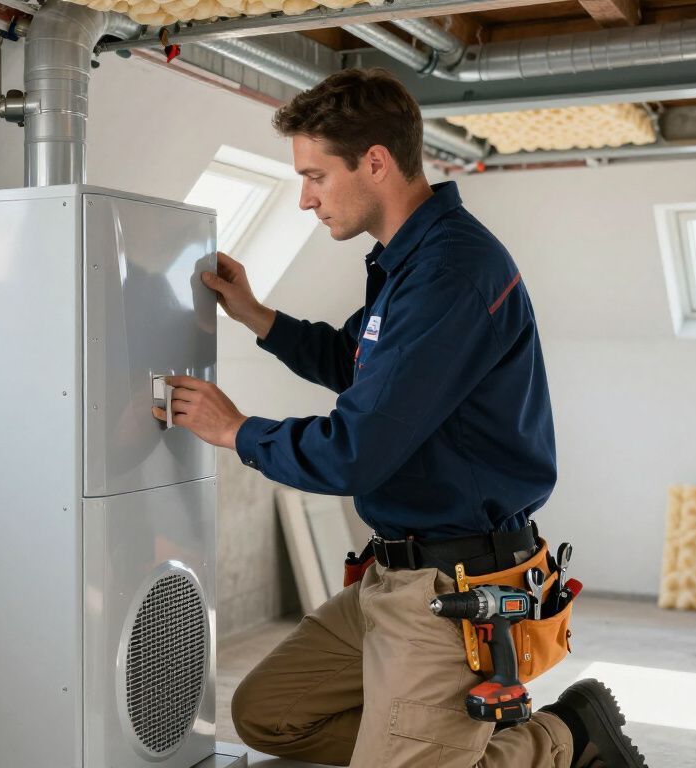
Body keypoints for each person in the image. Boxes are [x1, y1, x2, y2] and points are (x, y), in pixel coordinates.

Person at [151, 68, 646, 768]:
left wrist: (237, 431)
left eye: (315, 176)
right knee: (269, 715)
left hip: (455, 590)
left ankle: (564, 737)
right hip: (396, 578)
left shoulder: (451, 272)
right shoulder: (406, 262)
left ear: (375, 162)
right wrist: (260, 317)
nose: (304, 200)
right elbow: (360, 361)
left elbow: (355, 451)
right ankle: (443, 743)